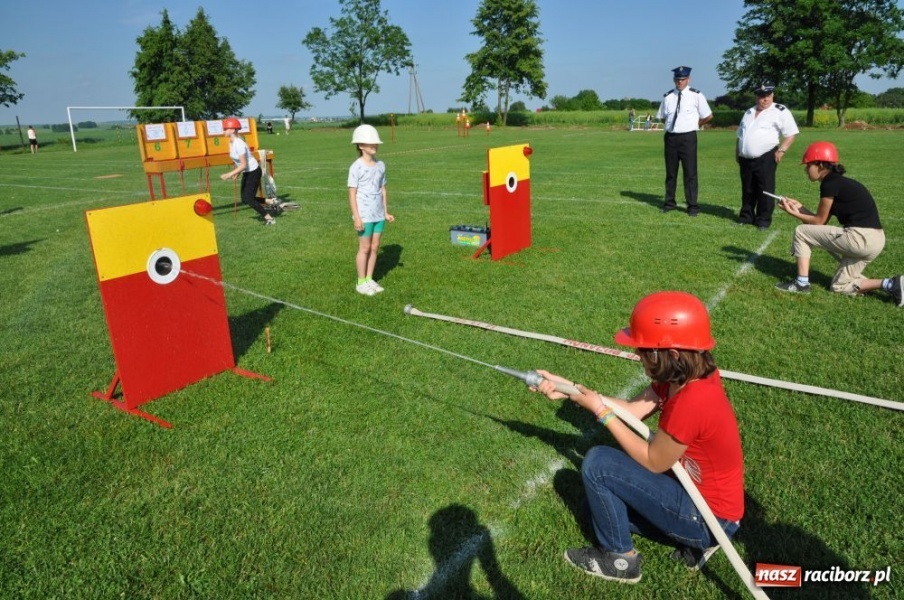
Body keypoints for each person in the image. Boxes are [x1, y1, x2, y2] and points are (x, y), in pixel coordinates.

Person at [533, 291, 744, 584]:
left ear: (670, 355)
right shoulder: (683, 377)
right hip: (702, 503)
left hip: (710, 521)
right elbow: (632, 410)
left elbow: (653, 460)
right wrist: (569, 388)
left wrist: (600, 412)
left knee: (599, 464)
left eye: (643, 350)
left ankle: (621, 561)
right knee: (595, 508)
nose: (637, 355)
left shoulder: (693, 402)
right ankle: (691, 542)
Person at [775, 141, 902, 305]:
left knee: (801, 231)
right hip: (876, 241)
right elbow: (820, 221)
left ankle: (801, 283)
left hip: (860, 238)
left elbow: (818, 222)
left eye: (808, 165)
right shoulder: (839, 182)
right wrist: (799, 208)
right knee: (839, 286)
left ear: (820, 165)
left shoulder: (829, 183)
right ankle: (892, 284)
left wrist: (791, 212)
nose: (806, 169)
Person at [735, 83, 799, 230]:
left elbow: (791, 134)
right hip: (745, 158)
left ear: (772, 95)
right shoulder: (749, 112)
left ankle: (763, 220)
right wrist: (737, 152)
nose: (764, 99)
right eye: (761, 96)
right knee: (748, 188)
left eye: (767, 96)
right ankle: (746, 217)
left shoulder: (780, 111)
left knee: (765, 189)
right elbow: (740, 135)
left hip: (766, 156)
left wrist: (781, 150)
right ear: (756, 96)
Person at [656, 66, 713, 216]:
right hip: (671, 138)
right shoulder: (668, 97)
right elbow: (662, 117)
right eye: (677, 79)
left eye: (682, 79)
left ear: (689, 79)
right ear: (674, 80)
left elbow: (708, 115)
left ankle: (692, 206)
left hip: (688, 138)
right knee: (671, 173)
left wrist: (695, 125)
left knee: (690, 173)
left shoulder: (696, 95)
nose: (680, 82)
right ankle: (669, 203)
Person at [348, 124, 394, 296]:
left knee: (375, 247)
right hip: (365, 216)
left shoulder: (381, 165)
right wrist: (357, 218)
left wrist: (386, 212)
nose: (374, 146)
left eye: (375, 143)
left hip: (378, 215)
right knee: (365, 248)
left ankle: (369, 279)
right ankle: (361, 282)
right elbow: (352, 193)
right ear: (361, 146)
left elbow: (383, 189)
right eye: (370, 143)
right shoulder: (356, 167)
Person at [219, 117, 276, 226]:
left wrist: (229, 174)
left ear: (233, 130)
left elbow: (244, 164)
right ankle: (271, 201)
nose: (224, 131)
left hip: (254, 171)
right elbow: (240, 163)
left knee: (249, 199)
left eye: (225, 129)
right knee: (245, 199)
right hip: (247, 171)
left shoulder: (239, 144)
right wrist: (237, 172)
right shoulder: (231, 143)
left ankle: (269, 218)